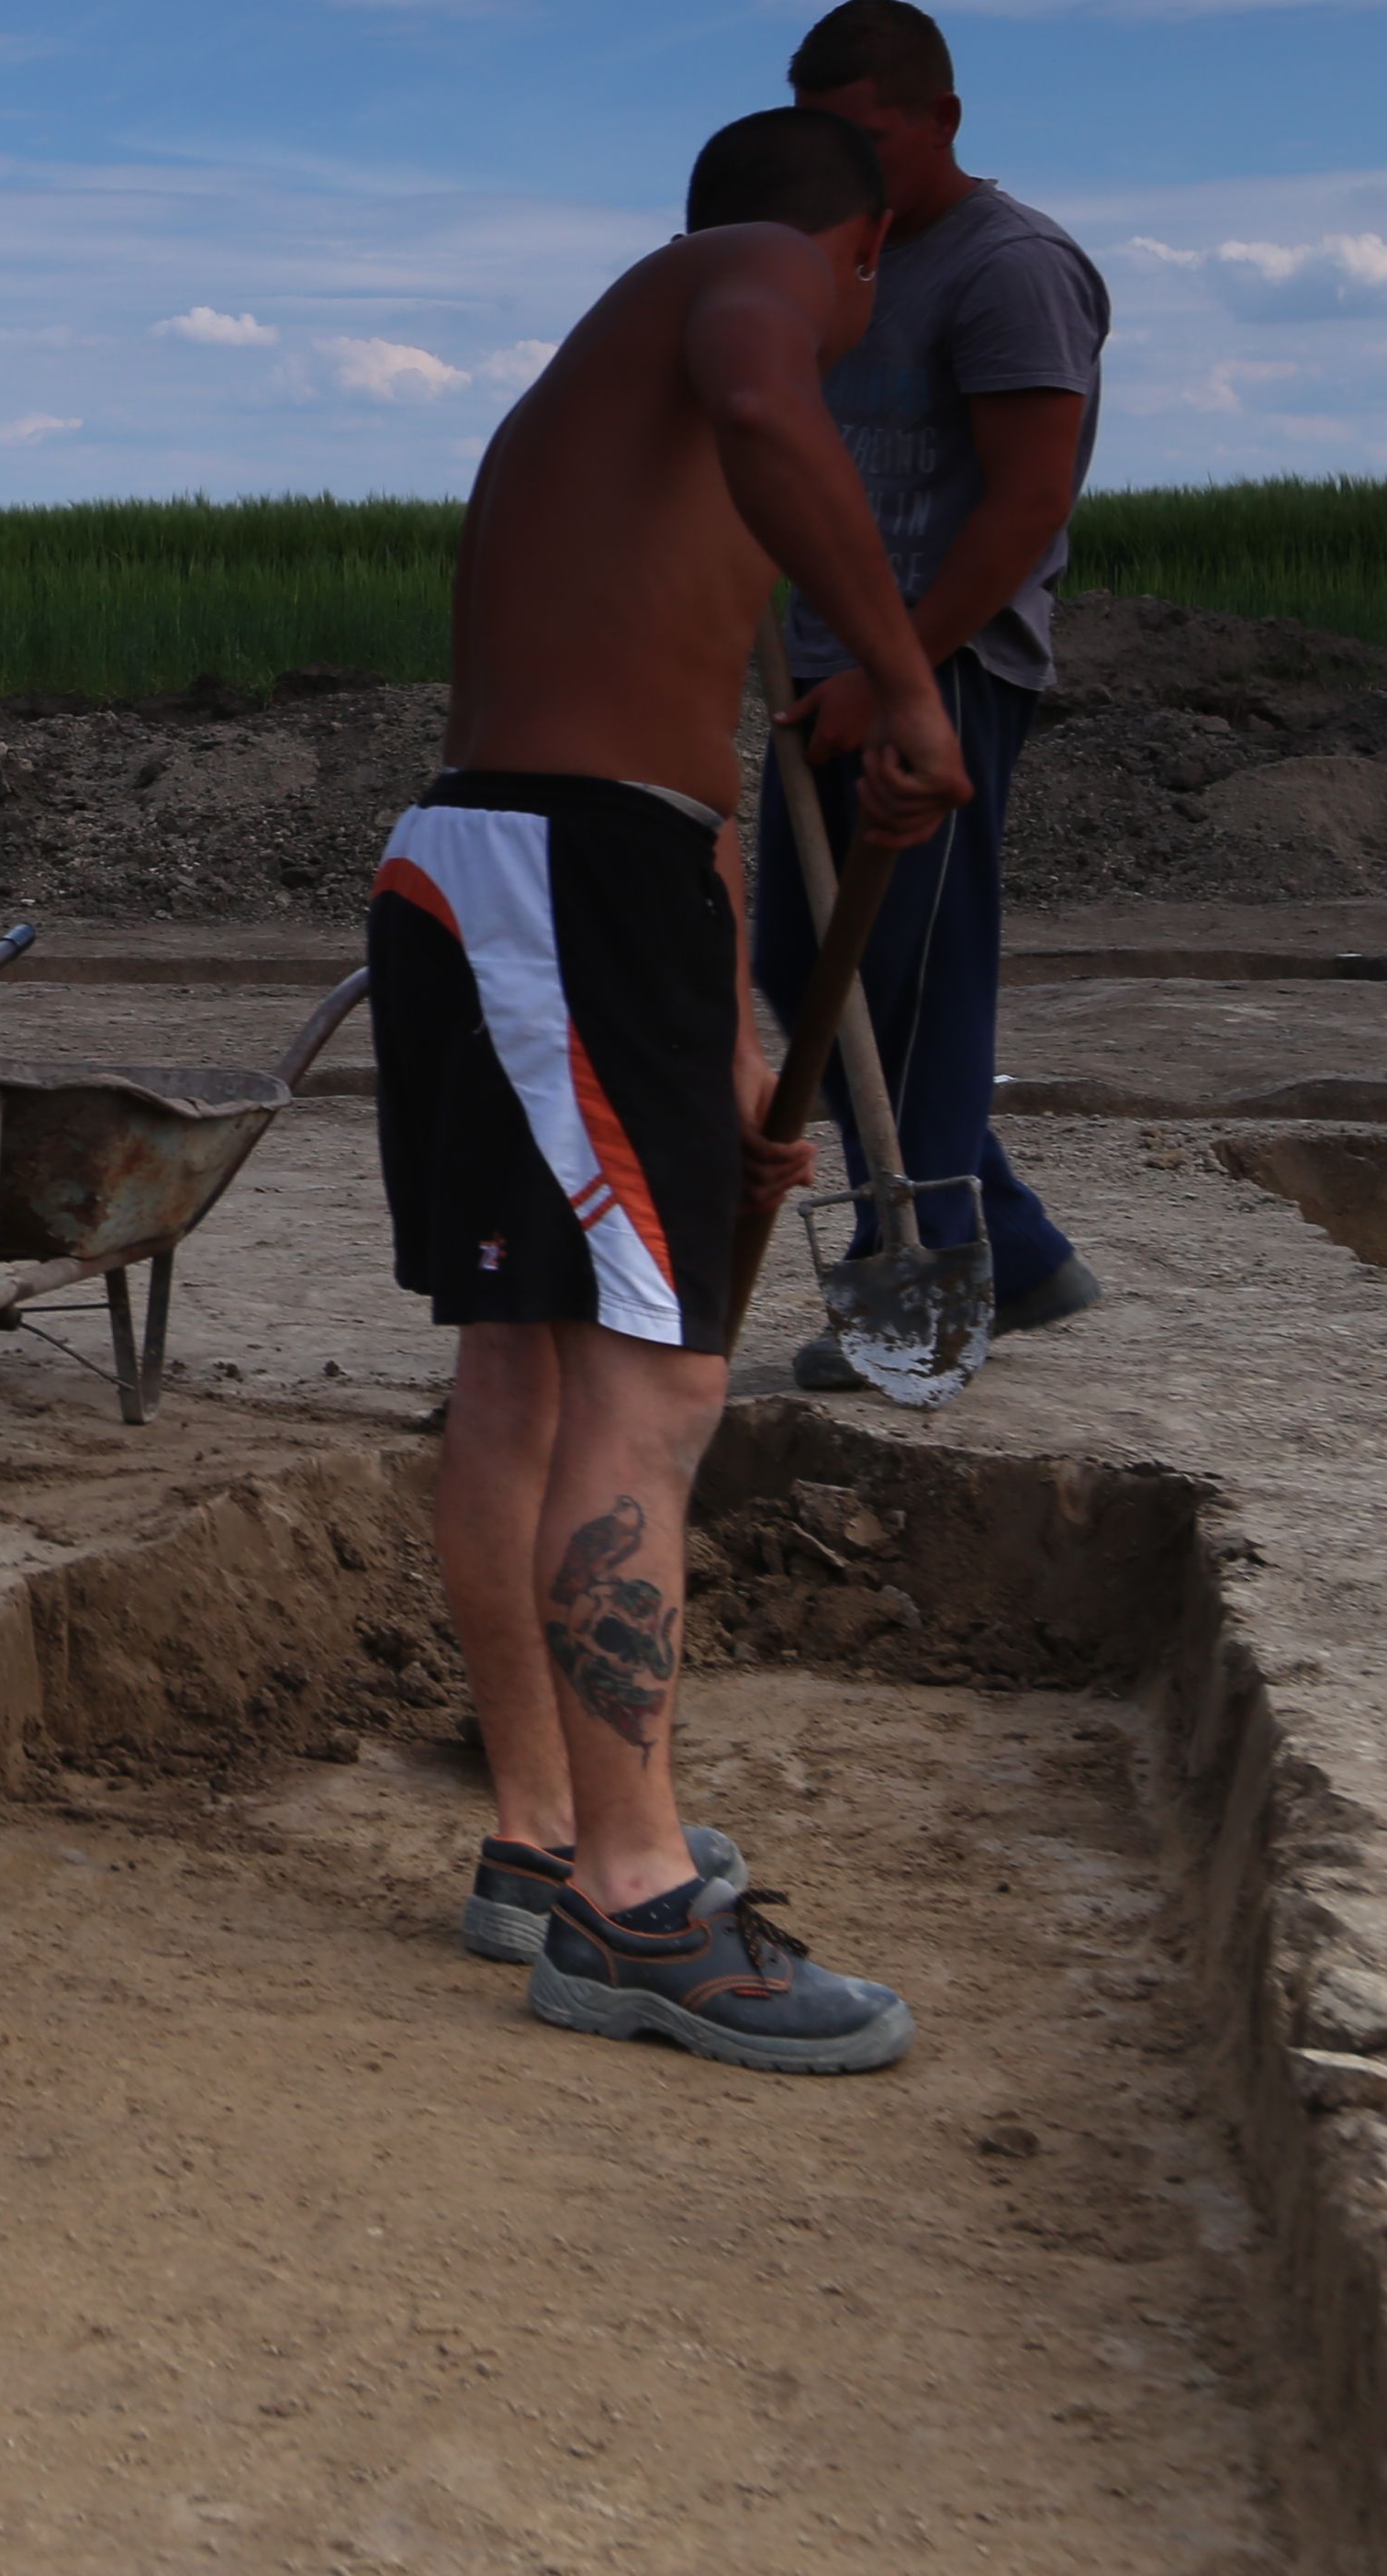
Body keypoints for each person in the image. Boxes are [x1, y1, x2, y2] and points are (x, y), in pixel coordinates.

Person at [370, 108, 965, 2074]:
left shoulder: (626, 417)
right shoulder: (752, 285)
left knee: (531, 1371)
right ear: (859, 242)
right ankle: (639, 1906)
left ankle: (546, 1846)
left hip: (529, 865)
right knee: (659, 1379)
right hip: (558, 874)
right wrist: (905, 666)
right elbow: (762, 380)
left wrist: (718, 1035)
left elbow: (684, 765)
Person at [765, 0, 1111, 1389]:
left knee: (915, 988)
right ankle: (1014, 1253)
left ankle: (921, 1315)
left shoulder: (1010, 267)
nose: (848, 172)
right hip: (827, 671)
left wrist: (890, 671)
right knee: (804, 972)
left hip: (943, 674)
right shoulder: (837, 263)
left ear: (941, 121)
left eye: (870, 139)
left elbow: (1030, 502)